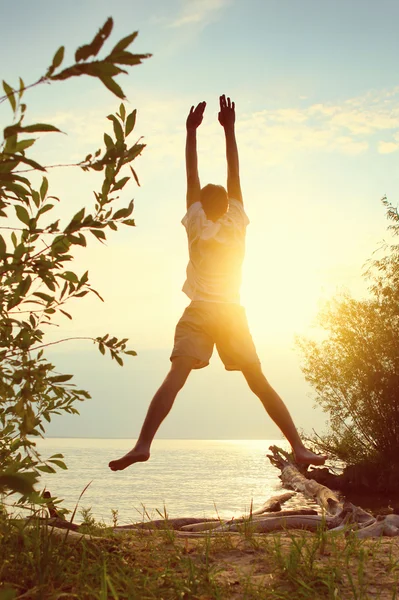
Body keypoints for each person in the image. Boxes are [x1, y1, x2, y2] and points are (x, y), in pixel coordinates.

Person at [109, 95, 326, 472]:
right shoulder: (236, 220)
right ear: (226, 204)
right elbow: (234, 174)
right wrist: (229, 129)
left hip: (200, 312)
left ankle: (143, 444)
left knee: (175, 377)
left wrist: (190, 133)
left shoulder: (196, 222)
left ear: (202, 205)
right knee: (258, 380)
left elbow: (191, 177)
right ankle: (300, 448)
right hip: (231, 314)